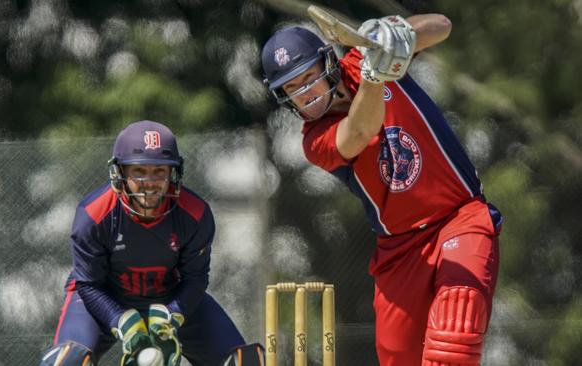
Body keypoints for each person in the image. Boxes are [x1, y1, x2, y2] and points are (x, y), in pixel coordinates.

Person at [261, 14, 502, 366]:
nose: (306, 95)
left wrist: (397, 36)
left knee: (454, 330)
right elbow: (360, 130)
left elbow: (442, 25)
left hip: (459, 218)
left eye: (309, 78)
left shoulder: (365, 59)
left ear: (328, 63)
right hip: (400, 250)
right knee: (399, 358)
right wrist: (377, 73)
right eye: (292, 89)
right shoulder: (315, 140)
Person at [39, 120, 264, 366]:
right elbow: (89, 285)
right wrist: (118, 319)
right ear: (120, 173)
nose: (150, 182)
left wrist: (172, 313)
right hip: (103, 297)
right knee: (68, 361)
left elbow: (195, 279)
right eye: (139, 171)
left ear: (173, 174)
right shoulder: (93, 215)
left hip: (170, 299)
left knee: (245, 361)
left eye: (159, 171)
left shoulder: (195, 214)